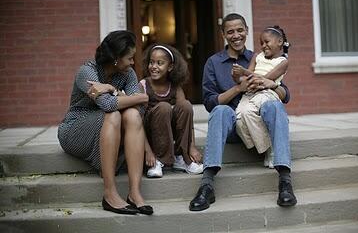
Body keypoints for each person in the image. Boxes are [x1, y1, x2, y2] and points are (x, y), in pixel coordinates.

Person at [189, 13, 297, 212]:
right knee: (221, 111)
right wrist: (238, 89)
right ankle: (207, 184)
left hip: (258, 122)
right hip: (232, 124)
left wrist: (271, 84)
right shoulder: (213, 63)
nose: (236, 35)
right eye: (230, 31)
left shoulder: (261, 57)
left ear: (246, 31)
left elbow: (285, 94)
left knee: (274, 105)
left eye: (240, 30)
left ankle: (285, 181)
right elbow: (210, 102)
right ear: (223, 34)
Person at [58, 30, 153, 215]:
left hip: (109, 126)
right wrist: (132, 96)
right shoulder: (87, 71)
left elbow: (140, 106)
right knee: (115, 114)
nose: (133, 63)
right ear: (116, 58)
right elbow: (110, 104)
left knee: (132, 116)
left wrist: (113, 91)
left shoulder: (127, 73)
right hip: (76, 128)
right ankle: (109, 193)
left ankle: (134, 193)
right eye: (130, 58)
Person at [140, 43, 203, 178]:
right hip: (150, 135)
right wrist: (148, 151)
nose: (154, 67)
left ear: (170, 67)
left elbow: (187, 119)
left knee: (185, 105)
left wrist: (191, 146)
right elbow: (138, 122)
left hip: (167, 133)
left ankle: (181, 157)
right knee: (164, 107)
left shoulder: (175, 87)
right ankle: (157, 161)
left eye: (160, 63)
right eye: (151, 62)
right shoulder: (144, 85)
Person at [233, 26, 290, 169]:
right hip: (251, 91)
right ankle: (266, 147)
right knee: (240, 117)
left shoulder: (283, 62)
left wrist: (244, 71)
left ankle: (270, 153)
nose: (264, 46)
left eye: (267, 42)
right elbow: (247, 76)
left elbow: (266, 79)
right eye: (261, 43)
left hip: (267, 92)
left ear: (280, 42)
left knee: (250, 112)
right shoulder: (257, 56)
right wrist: (238, 77)